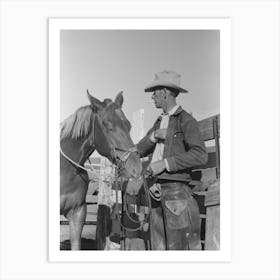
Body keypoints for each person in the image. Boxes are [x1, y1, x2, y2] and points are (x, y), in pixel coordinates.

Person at [137, 70, 208, 250]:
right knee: (158, 248)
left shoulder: (186, 120)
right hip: (155, 191)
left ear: (166, 92)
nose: (152, 96)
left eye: (155, 91)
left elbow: (200, 154)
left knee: (178, 250)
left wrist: (165, 163)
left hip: (176, 193)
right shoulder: (159, 121)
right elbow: (138, 150)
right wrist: (153, 136)